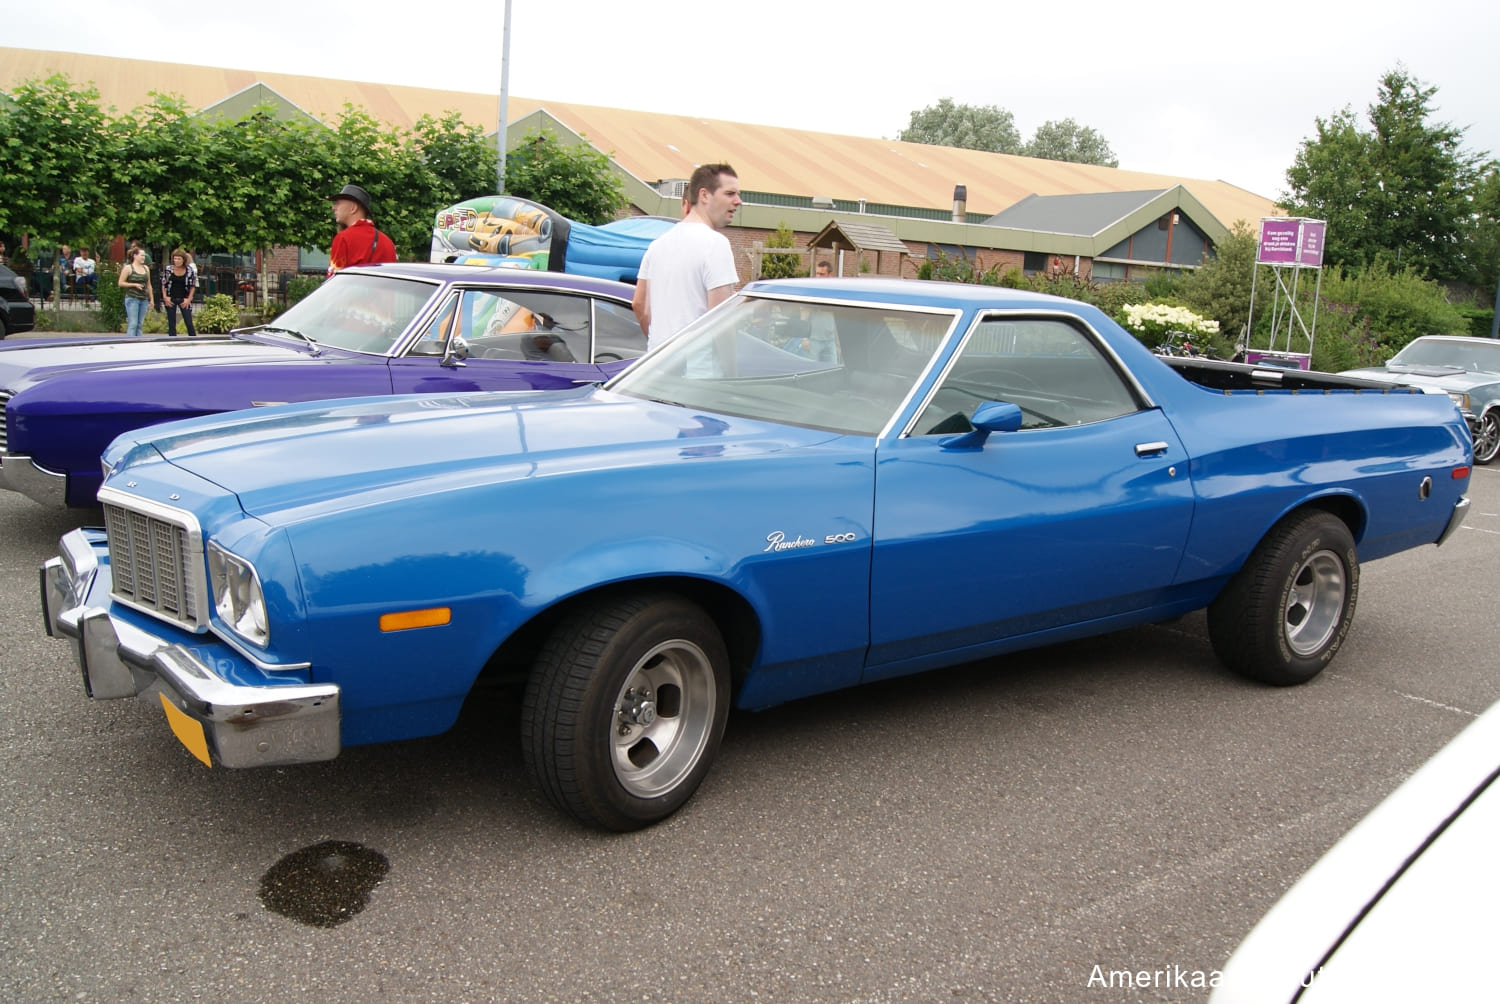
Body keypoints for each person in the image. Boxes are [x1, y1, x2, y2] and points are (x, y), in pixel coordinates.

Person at [632, 163, 741, 350]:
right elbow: (720, 324)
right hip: (699, 371)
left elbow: (640, 305)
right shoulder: (716, 244)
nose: (738, 201)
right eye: (730, 194)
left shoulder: (657, 245)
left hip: (658, 366)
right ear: (704, 195)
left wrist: (659, 348)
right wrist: (729, 373)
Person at [327, 183, 397, 275]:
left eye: (338, 203)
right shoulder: (387, 242)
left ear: (353, 208)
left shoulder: (343, 238)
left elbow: (333, 280)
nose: (333, 207)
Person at [117, 247, 155, 336]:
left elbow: (149, 284)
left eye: (144, 256)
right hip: (132, 298)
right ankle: (130, 342)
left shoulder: (146, 268)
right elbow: (120, 283)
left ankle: (139, 342)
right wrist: (134, 285)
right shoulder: (128, 268)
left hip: (143, 299)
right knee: (133, 323)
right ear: (135, 256)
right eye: (141, 255)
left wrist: (151, 299)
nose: (143, 257)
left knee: (139, 324)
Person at [161, 248, 198, 336]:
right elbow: (163, 283)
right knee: (171, 323)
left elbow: (193, 286)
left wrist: (188, 299)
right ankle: (172, 341)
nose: (176, 261)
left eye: (179, 259)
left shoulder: (189, 270)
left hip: (184, 298)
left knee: (189, 322)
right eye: (175, 258)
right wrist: (165, 297)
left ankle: (193, 340)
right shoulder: (168, 269)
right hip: (171, 297)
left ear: (183, 260)